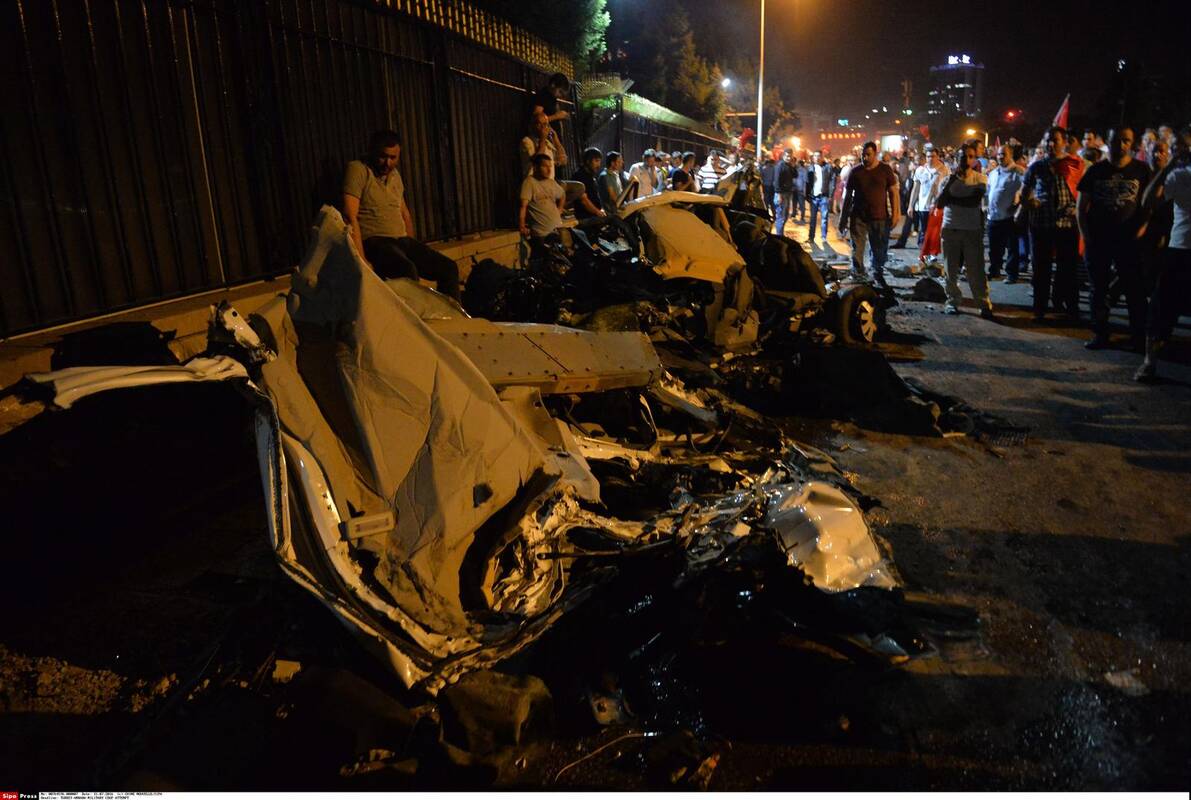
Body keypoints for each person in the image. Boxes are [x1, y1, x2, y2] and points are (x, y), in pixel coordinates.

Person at [342, 129, 460, 300]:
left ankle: (452, 314)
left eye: (393, 158)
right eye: (383, 156)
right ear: (372, 151)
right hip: (376, 240)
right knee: (407, 271)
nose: (387, 163)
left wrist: (412, 244)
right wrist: (361, 259)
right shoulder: (358, 170)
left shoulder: (395, 175)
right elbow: (349, 215)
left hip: (401, 240)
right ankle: (414, 317)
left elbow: (404, 212)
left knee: (449, 268)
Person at [1076, 127, 1151, 350]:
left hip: (1128, 240)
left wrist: (1142, 229)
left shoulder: (1141, 170)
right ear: (1108, 142)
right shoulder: (1095, 171)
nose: (1121, 145)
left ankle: (1138, 336)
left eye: (1126, 140)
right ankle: (1100, 333)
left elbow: (1148, 204)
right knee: (1098, 289)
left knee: (1134, 289)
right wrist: (1086, 236)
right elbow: (1081, 207)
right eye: (1116, 140)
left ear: (1132, 143)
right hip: (1098, 239)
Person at [1135, 127, 1191, 381]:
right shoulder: (1177, 175)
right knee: (1159, 307)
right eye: (1176, 147)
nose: (1180, 151)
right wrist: (1167, 168)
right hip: (1180, 249)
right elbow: (1148, 201)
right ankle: (1149, 361)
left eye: (1184, 146)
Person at [1019, 126, 1084, 320]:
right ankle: (1040, 308)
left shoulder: (1075, 165)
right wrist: (1029, 202)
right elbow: (1025, 193)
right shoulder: (1037, 167)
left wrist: (1077, 209)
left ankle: (1068, 306)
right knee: (1041, 269)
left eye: (1055, 140)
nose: (1051, 144)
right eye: (1048, 140)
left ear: (1064, 142)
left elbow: (1084, 194)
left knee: (1068, 269)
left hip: (1067, 225)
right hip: (1042, 224)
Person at [937, 143, 991, 316]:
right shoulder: (948, 179)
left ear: (975, 159)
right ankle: (952, 301)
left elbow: (973, 202)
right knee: (950, 269)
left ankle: (983, 303)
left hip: (971, 229)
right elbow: (940, 203)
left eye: (970, 156)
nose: (966, 160)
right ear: (956, 158)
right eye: (962, 156)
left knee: (976, 269)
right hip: (950, 228)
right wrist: (952, 183)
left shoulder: (980, 179)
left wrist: (952, 198)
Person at [839, 141, 901, 286]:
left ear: (875, 154)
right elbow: (848, 197)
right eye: (863, 155)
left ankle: (877, 273)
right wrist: (843, 218)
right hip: (858, 217)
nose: (865, 158)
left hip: (879, 217)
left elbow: (893, 193)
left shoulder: (885, 170)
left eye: (868, 155)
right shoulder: (855, 172)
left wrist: (896, 214)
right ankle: (858, 274)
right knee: (857, 248)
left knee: (879, 249)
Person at [987, 143, 1026, 282]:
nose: (1000, 157)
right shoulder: (993, 173)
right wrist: (985, 206)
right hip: (993, 216)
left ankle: (1011, 274)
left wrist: (1018, 207)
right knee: (994, 247)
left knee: (1012, 248)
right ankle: (995, 270)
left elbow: (1025, 191)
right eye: (998, 154)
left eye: (1003, 154)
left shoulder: (1019, 172)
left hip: (1010, 217)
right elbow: (989, 191)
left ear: (1011, 155)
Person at [519, 153, 565, 240]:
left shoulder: (551, 182)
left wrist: (560, 210)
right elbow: (523, 206)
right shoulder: (529, 182)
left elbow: (562, 195)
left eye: (550, 166)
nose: (549, 170)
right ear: (535, 167)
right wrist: (522, 226)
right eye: (545, 166)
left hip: (558, 230)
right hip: (542, 234)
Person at [520, 111, 568, 178]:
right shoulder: (527, 141)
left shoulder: (547, 143)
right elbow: (538, 161)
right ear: (532, 126)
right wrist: (542, 139)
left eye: (545, 124)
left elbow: (563, 161)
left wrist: (556, 139)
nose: (543, 127)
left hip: (548, 182)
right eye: (539, 124)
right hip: (535, 182)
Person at [806, 150, 836, 245]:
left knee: (824, 218)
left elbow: (832, 180)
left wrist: (830, 194)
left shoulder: (827, 167)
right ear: (813, 157)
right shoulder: (810, 168)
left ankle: (823, 237)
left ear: (822, 157)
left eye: (819, 156)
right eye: (815, 156)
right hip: (814, 197)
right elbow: (807, 183)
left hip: (824, 196)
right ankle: (811, 237)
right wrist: (807, 196)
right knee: (812, 218)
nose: (817, 158)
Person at [572, 147, 607, 221]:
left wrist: (601, 210)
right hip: (586, 218)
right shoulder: (579, 176)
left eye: (599, 161)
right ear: (588, 161)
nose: (599, 165)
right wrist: (598, 212)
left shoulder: (591, 175)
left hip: (595, 215)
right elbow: (584, 201)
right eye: (596, 161)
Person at [773, 150, 797, 237]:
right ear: (783, 156)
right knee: (780, 217)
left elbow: (795, 175)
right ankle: (779, 236)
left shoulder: (789, 165)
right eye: (787, 156)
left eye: (790, 156)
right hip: (781, 194)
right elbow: (776, 180)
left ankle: (780, 234)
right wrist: (778, 194)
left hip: (787, 193)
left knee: (785, 216)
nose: (789, 158)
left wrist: (793, 166)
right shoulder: (780, 165)